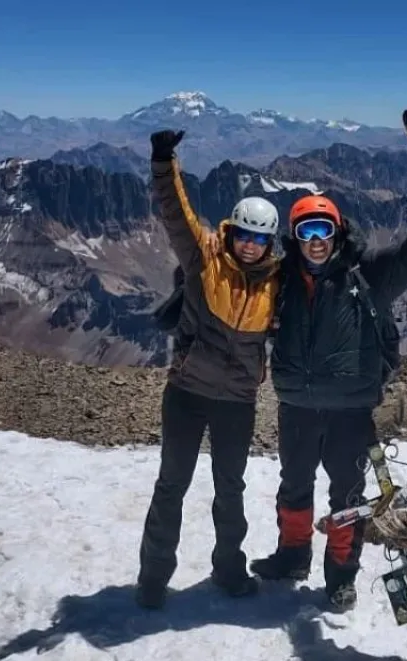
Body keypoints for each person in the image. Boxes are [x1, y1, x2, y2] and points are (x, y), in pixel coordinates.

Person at [249, 190, 407, 609]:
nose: (316, 240)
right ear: (294, 237)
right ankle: (293, 557)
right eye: (306, 231)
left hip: (351, 412)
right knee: (293, 487)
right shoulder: (281, 279)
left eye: (324, 229)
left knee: (348, 498)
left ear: (337, 232)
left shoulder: (365, 274)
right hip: (297, 405)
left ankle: (340, 578)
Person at [136, 129, 281, 609]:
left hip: (236, 402)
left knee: (230, 491)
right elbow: (176, 214)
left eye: (261, 239)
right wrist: (164, 161)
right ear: (232, 231)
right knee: (172, 483)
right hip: (187, 392)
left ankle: (228, 571)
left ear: (270, 243)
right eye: (245, 235)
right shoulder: (205, 260)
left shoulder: (276, 286)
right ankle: (153, 579)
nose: (251, 245)